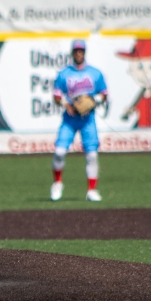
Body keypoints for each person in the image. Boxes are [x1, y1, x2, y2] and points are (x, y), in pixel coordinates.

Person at [50, 39, 108, 202]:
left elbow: (104, 93)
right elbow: (56, 95)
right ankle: (57, 183)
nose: (78, 53)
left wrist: (93, 100)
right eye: (76, 50)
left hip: (88, 119)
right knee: (59, 152)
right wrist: (65, 104)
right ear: (72, 52)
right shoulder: (65, 73)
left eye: (81, 50)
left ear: (84, 52)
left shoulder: (95, 73)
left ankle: (92, 190)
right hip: (70, 119)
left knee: (91, 155)